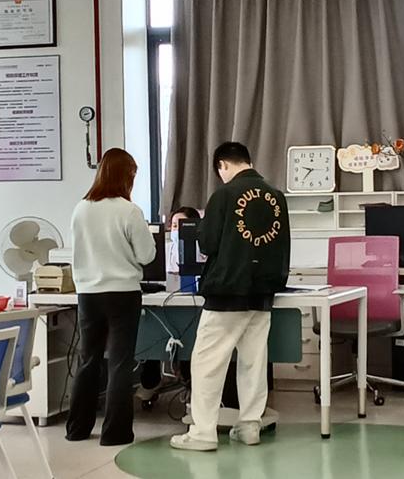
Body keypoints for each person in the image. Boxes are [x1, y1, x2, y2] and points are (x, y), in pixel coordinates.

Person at [170, 141, 291, 451]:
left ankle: (202, 433)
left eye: (219, 171)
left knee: (207, 363)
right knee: (253, 362)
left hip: (226, 291)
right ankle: (250, 425)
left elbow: (208, 243)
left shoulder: (223, 195)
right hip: (263, 292)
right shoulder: (276, 196)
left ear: (223, 165)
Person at [66, 148, 156, 445]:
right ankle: (115, 433)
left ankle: (77, 429)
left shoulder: (81, 208)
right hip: (122, 294)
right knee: (119, 362)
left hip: (88, 294)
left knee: (88, 359)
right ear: (126, 176)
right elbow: (146, 255)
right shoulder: (129, 211)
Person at [137, 206, 201, 401]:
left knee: (190, 336)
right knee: (152, 333)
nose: (176, 229)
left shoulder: (203, 250)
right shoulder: (163, 250)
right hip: (163, 302)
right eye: (173, 225)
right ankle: (150, 381)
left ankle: (190, 383)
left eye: (181, 225)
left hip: (192, 306)